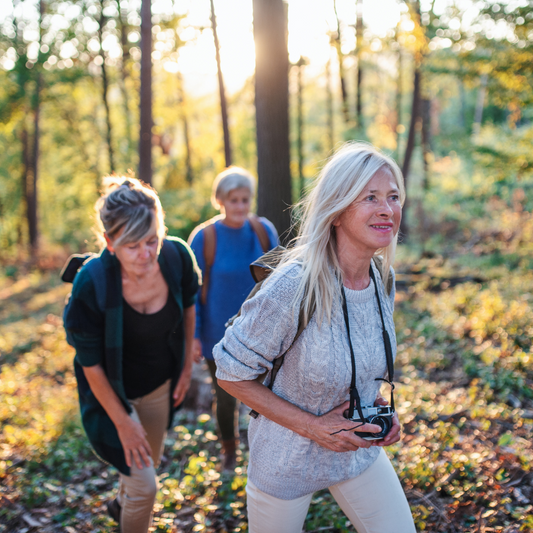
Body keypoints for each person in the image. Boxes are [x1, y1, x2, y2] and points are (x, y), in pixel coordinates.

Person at [213, 143, 416, 533]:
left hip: (356, 452)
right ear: (338, 210)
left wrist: (377, 409)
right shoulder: (294, 285)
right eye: (369, 197)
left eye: (393, 197)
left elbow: (360, 357)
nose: (387, 209)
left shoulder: (381, 279)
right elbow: (228, 372)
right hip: (285, 463)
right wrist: (313, 426)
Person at [64, 177, 199, 533]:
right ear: (109, 243)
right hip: (111, 393)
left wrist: (185, 367)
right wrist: (124, 422)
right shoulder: (91, 283)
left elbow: (188, 309)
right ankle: (131, 508)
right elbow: (89, 363)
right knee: (145, 485)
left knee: (145, 464)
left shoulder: (176, 257)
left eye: (152, 240)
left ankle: (120, 506)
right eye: (133, 246)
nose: (146, 254)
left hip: (159, 385)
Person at [188, 166, 278, 471]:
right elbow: (192, 292)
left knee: (266, 397)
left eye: (245, 200)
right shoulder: (205, 238)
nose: (240, 206)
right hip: (219, 334)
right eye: (234, 200)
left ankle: (264, 454)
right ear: (221, 201)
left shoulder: (264, 231)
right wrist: (194, 335)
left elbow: (281, 281)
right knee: (226, 397)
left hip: (261, 331)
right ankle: (229, 451)